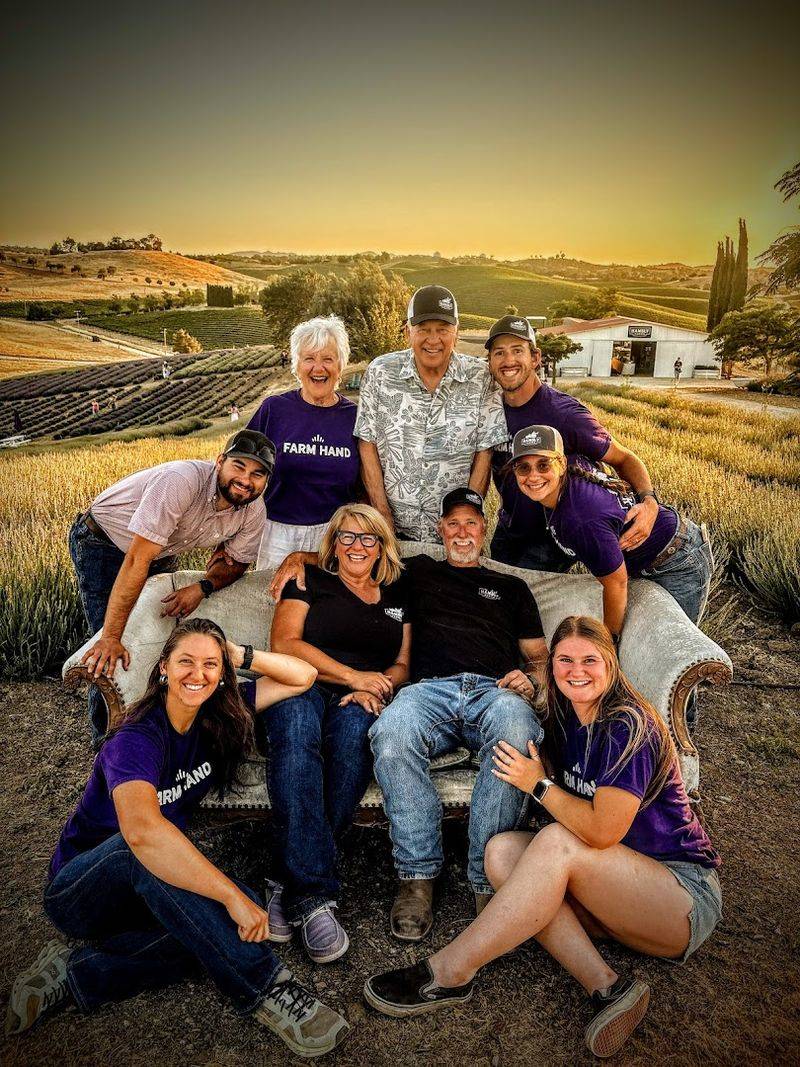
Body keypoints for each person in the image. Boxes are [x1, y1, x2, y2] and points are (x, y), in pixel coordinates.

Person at [364, 616, 721, 1059]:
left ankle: (449, 972)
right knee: (501, 854)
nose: (577, 671)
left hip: (677, 896)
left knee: (555, 841)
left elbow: (600, 831)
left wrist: (538, 784)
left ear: (611, 663)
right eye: (565, 660)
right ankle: (608, 987)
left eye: (590, 660)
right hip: (612, 899)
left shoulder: (627, 725)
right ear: (550, 667)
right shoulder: (566, 718)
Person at [5, 618, 350, 1057]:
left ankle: (74, 973)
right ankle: (269, 989)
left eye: (210, 664)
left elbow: (303, 676)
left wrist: (237, 655)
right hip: (82, 891)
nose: (197, 674)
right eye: (185, 662)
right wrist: (228, 895)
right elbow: (145, 834)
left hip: (151, 892)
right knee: (174, 872)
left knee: (219, 936)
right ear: (164, 667)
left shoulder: (218, 716)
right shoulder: (136, 738)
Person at [264, 504, 410, 963]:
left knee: (351, 747)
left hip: (362, 695)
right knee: (297, 742)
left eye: (368, 538)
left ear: (383, 545)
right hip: (300, 683)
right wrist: (353, 676)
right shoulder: (310, 580)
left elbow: (402, 664)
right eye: (346, 536)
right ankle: (313, 898)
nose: (356, 547)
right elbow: (284, 644)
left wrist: (378, 685)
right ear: (333, 542)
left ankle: (279, 880)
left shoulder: (397, 594)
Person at [71, 429, 274, 744]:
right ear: (219, 462)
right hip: (107, 543)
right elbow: (137, 559)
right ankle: (108, 742)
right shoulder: (181, 481)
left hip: (162, 550)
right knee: (114, 645)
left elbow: (235, 564)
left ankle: (157, 726)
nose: (246, 480)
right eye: (238, 466)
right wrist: (111, 635)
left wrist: (202, 587)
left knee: (161, 638)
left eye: (257, 474)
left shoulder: (253, 511)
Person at [485, 314, 661, 572]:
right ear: (489, 362)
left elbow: (624, 458)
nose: (508, 360)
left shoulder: (565, 414)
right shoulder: (490, 411)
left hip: (549, 541)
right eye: (499, 353)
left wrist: (649, 501)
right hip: (510, 530)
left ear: (535, 358)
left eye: (517, 350)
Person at [508, 424, 713, 638]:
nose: (533, 476)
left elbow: (616, 582)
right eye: (523, 467)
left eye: (543, 465)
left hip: (675, 561)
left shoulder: (579, 519)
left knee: (672, 644)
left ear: (561, 464)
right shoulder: (571, 474)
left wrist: (608, 641)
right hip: (658, 550)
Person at [354, 285, 507, 541]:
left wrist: (465, 520)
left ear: (456, 333)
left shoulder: (480, 377)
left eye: (442, 330)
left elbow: (485, 451)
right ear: (407, 332)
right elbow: (366, 442)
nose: (433, 340)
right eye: (423, 330)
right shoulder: (380, 372)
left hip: (451, 534)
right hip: (393, 530)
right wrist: (382, 513)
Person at [247, 316, 359, 570]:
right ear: (296, 365)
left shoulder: (355, 417)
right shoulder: (273, 410)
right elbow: (241, 469)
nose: (318, 368)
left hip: (336, 535)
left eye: (328, 359)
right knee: (274, 603)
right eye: (309, 358)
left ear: (341, 365)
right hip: (277, 532)